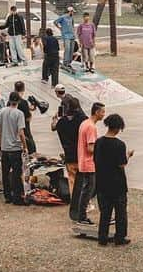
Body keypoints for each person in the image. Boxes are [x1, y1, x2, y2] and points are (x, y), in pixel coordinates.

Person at [94, 113, 132, 246]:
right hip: (117, 183)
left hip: (102, 182)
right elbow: (121, 164)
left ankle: (102, 237)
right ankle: (119, 237)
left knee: (105, 212)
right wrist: (128, 156)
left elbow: (96, 160)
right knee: (120, 212)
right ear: (118, 128)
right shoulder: (120, 145)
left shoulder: (98, 142)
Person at [70, 102, 105, 224]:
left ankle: (81, 215)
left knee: (86, 190)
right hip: (89, 164)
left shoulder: (84, 123)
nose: (104, 115)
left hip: (83, 162)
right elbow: (91, 148)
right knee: (87, 192)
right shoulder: (91, 127)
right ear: (97, 112)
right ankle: (82, 217)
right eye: (102, 112)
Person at [0, 92, 28, 205]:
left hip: (4, 147)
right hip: (15, 147)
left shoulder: (2, 111)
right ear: (18, 101)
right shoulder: (19, 114)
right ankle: (17, 197)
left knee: (5, 173)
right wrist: (25, 146)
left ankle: (7, 196)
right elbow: (21, 132)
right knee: (16, 173)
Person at [52, 95, 85, 197]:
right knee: (83, 180)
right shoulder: (82, 120)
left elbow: (54, 127)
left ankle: (74, 201)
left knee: (72, 179)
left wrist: (55, 119)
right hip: (81, 154)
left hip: (69, 154)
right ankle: (83, 201)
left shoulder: (62, 122)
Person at [13, 80, 37, 154]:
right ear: (23, 89)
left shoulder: (10, 101)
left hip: (14, 130)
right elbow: (28, 118)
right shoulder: (23, 102)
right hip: (25, 130)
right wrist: (29, 112)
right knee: (32, 149)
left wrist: (28, 108)